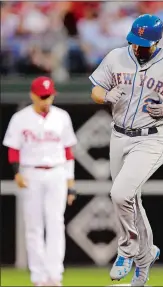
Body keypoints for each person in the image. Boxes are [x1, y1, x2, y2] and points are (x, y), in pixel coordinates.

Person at [89, 14, 163, 286]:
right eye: (134, 40)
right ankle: (145, 259)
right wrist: (104, 96)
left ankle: (126, 251)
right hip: (119, 135)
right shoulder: (117, 56)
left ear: (156, 41)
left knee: (120, 193)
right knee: (130, 200)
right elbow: (96, 87)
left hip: (152, 138)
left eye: (143, 42)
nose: (137, 46)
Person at [3, 76, 78, 286]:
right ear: (32, 95)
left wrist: (70, 185)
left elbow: (68, 152)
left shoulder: (62, 117)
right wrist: (17, 172)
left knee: (56, 223)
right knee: (34, 226)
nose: (46, 100)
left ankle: (55, 276)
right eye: (42, 96)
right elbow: (13, 149)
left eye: (49, 96)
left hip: (57, 172)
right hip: (31, 173)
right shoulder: (20, 118)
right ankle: (38, 277)